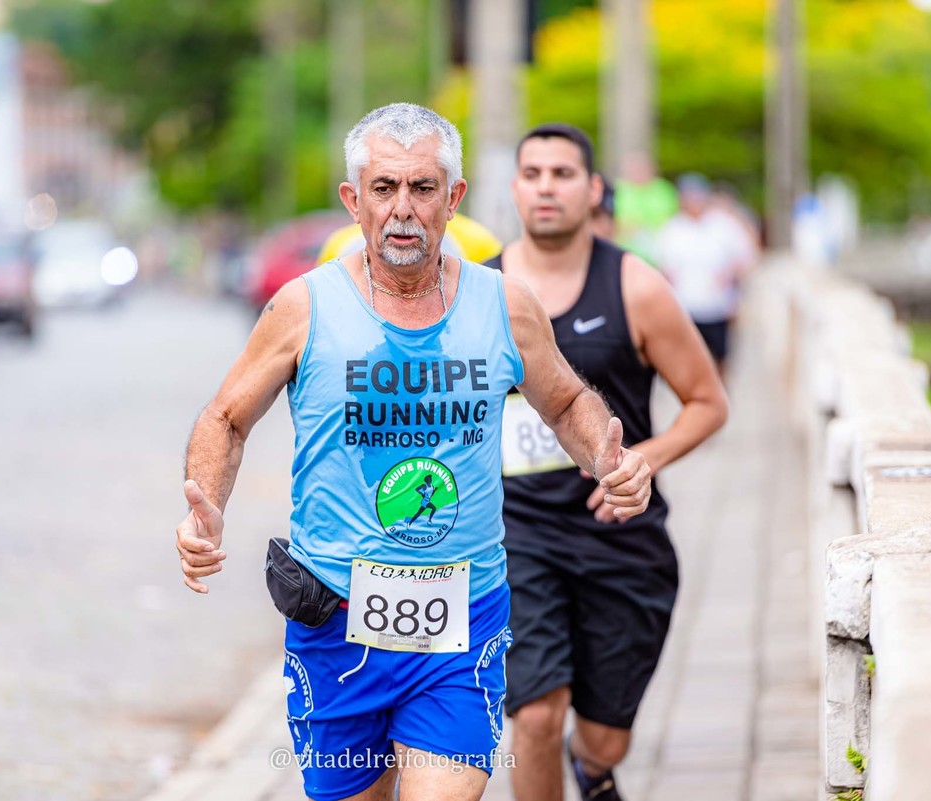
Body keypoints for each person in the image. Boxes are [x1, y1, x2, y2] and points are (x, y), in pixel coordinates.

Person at [175, 104, 655, 801]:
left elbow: (565, 401)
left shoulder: (504, 305)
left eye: (423, 187)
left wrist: (610, 459)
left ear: (452, 198)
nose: (403, 208)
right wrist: (206, 507)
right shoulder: (304, 307)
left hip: (460, 622)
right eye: (384, 187)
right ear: (354, 200)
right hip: (335, 621)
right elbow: (225, 416)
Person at [485, 124, 728, 801]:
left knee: (603, 739)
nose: (546, 187)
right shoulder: (477, 290)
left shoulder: (635, 287)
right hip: (514, 536)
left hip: (620, 538)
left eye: (562, 174)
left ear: (593, 190)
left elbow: (709, 402)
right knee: (536, 716)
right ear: (514, 189)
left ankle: (592, 768)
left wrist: (642, 460)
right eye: (532, 173)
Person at [656, 173, 755, 376]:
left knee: (720, 357)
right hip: (686, 307)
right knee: (688, 358)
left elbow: (746, 256)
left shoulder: (724, 225)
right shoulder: (672, 228)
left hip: (718, 306)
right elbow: (664, 267)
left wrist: (729, 276)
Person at [612, 151, 677, 266]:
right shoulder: (618, 191)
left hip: (661, 254)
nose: (639, 172)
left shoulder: (665, 190)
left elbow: (674, 221)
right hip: (626, 253)